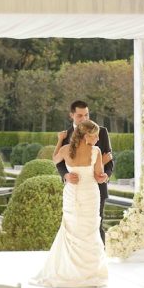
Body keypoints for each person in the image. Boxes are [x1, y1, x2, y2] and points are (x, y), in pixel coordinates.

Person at [32, 119, 108, 287]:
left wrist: (59, 140)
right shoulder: (96, 151)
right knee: (89, 230)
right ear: (87, 135)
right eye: (95, 136)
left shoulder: (66, 149)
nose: (97, 139)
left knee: (73, 229)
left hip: (73, 192)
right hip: (89, 193)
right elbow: (98, 176)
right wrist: (103, 175)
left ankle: (69, 271)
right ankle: (89, 273)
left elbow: (55, 159)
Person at [55, 100, 114, 243]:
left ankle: (98, 260)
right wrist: (66, 176)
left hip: (96, 188)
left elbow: (110, 160)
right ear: (72, 115)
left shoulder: (101, 131)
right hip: (74, 188)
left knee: (96, 225)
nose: (84, 119)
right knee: (73, 226)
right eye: (80, 116)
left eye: (86, 115)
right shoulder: (65, 135)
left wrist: (103, 175)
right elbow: (60, 163)